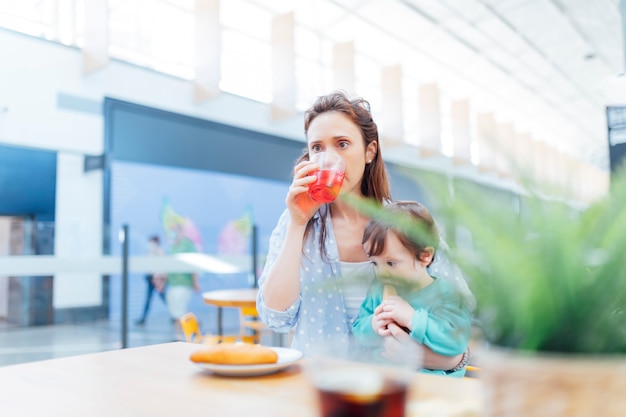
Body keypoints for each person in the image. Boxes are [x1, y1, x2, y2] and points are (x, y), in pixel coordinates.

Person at [256, 90, 472, 372]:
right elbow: (275, 318)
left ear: (370, 151)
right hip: (319, 383)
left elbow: (461, 316)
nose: (328, 157)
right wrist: (298, 223)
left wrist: (450, 358)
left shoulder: (407, 225)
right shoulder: (295, 222)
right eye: (317, 148)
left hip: (389, 384)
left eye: (342, 144)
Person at [352, 201, 472, 376]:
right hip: (384, 380)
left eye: (391, 263)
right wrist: (372, 325)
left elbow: (457, 343)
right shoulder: (379, 289)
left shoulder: (447, 295)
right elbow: (358, 332)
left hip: (431, 386)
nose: (382, 273)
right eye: (375, 263)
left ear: (425, 256)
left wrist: (413, 319)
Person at [135, 235, 167, 325]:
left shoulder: (159, 252)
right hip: (151, 280)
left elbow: (162, 266)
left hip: (158, 280)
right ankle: (143, 319)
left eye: (151, 243)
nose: (149, 244)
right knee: (148, 300)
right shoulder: (150, 252)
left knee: (166, 300)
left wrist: (160, 279)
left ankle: (176, 316)